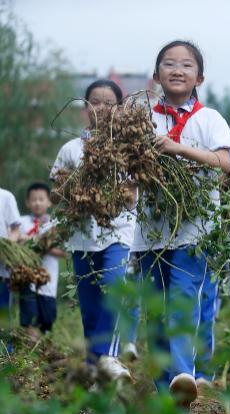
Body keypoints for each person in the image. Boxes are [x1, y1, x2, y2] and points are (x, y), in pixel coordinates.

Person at [132, 40, 230, 406]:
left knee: (183, 302)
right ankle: (164, 386)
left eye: (186, 65)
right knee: (155, 309)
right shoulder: (141, 117)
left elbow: (225, 162)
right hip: (150, 231)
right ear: (156, 75)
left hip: (195, 230)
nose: (177, 70)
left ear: (199, 77)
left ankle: (181, 375)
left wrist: (179, 149)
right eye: (169, 64)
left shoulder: (210, 120)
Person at [50, 79, 134, 383]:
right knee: (89, 307)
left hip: (118, 234)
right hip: (82, 237)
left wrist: (108, 199)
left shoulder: (126, 149)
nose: (101, 108)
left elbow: (131, 196)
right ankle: (94, 367)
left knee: (113, 291)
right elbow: (56, 194)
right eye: (94, 102)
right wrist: (78, 188)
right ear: (86, 108)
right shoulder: (71, 149)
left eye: (109, 103)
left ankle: (107, 359)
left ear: (121, 109)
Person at [18, 182, 64, 334]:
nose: (37, 202)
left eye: (41, 199)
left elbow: (64, 251)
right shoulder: (21, 222)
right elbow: (17, 241)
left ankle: (44, 348)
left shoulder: (56, 223)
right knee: (29, 316)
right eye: (33, 199)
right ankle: (30, 351)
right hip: (27, 276)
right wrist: (30, 241)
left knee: (47, 317)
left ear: (49, 201)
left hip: (48, 279)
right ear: (27, 203)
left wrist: (44, 245)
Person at [0, 187, 21, 354]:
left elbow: (15, 230)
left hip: (2, 268)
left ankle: (6, 355)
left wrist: (6, 247)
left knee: (3, 313)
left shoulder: (6, 196)